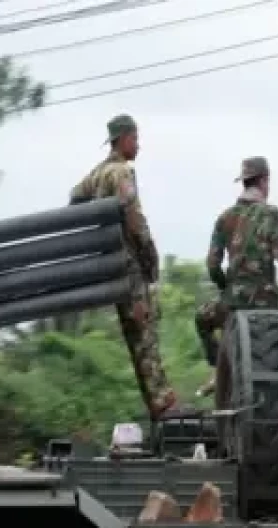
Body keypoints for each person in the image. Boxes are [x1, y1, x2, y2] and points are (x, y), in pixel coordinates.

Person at [69, 113, 188, 420]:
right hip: (129, 265)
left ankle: (157, 404)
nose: (139, 144)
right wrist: (150, 256)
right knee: (145, 332)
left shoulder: (97, 174)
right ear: (123, 139)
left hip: (109, 264)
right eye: (135, 138)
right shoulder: (121, 172)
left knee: (134, 334)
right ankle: (163, 403)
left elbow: (74, 197)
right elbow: (134, 217)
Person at [194, 156, 278, 395]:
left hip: (233, 303)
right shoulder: (272, 214)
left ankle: (219, 369)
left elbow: (213, 266)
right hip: (268, 301)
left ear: (244, 182)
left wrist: (227, 287)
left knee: (202, 319)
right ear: (264, 181)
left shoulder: (225, 218)